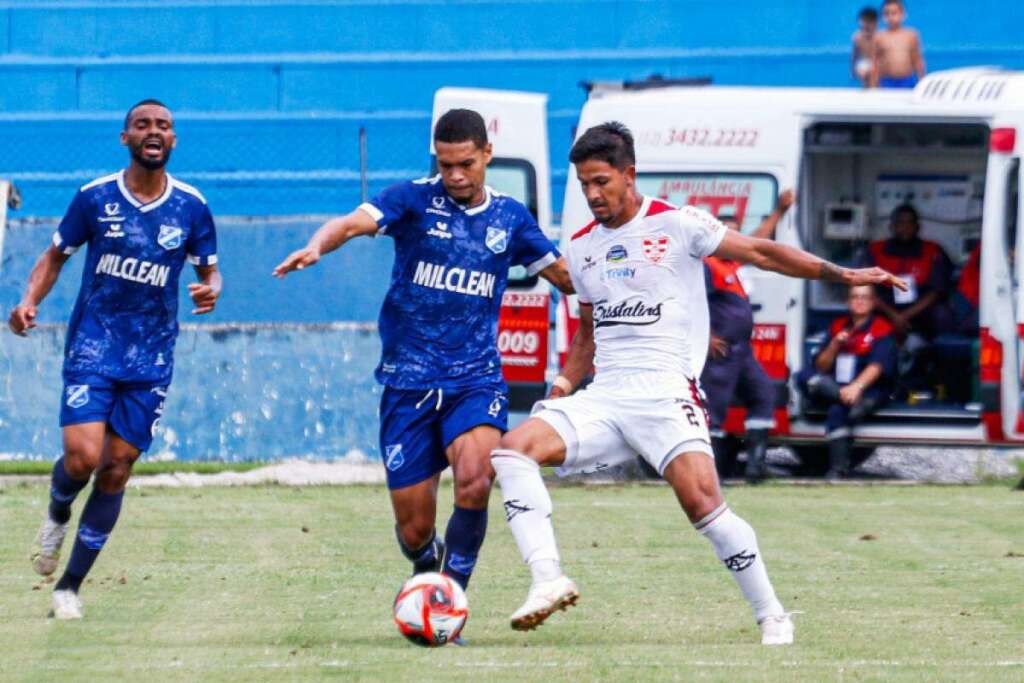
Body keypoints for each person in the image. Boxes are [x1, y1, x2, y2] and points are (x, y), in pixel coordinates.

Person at [488, 122, 903, 644]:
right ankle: (548, 580)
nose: (593, 194)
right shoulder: (583, 247)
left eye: (601, 181)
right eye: (584, 185)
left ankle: (771, 613)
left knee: (703, 505)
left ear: (628, 174)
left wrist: (842, 275)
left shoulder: (677, 224)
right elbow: (588, 334)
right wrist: (563, 387)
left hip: (666, 392)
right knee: (511, 451)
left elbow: (761, 252)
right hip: (608, 395)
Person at [273, 109, 571, 604]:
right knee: (413, 528)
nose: (455, 175)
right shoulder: (411, 198)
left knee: (476, 478)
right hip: (407, 382)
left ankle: (448, 600)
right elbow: (351, 223)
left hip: (474, 379)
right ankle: (424, 562)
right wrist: (316, 246)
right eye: (446, 164)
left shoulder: (511, 218)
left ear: (487, 155)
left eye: (466, 164)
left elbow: (565, 277)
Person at [9, 99, 221, 619]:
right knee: (83, 457)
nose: (154, 132)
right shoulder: (95, 197)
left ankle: (69, 586)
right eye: (143, 125)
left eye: (164, 126)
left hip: (150, 357)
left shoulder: (192, 207)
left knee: (116, 468)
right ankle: (58, 512)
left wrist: (210, 289)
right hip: (95, 345)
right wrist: (29, 300)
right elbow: (55, 255)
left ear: (174, 140)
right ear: (125, 138)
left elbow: (210, 271)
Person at [702, 190, 795, 482]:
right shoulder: (707, 265)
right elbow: (690, 303)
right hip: (721, 351)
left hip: (742, 351)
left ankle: (755, 468)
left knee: (763, 393)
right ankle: (709, 476)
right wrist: (706, 338)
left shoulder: (732, 263)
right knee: (713, 411)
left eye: (737, 235)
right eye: (729, 235)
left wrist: (779, 212)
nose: (736, 240)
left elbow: (759, 239)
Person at [796, 285, 898, 479]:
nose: (859, 301)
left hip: (870, 389)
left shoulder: (881, 329)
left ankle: (837, 471)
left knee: (837, 411)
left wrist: (857, 387)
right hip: (840, 388)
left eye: (865, 297)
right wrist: (835, 344)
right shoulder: (838, 325)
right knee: (803, 375)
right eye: (855, 297)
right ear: (848, 302)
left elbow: (876, 367)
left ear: (874, 302)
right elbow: (822, 366)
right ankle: (841, 397)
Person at [864, 204, 953, 340]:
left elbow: (936, 292)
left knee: (943, 314)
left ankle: (938, 358)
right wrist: (894, 315)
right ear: (892, 226)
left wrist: (904, 316)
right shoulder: (874, 250)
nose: (905, 227)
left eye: (910, 223)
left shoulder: (933, 250)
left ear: (917, 227)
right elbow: (866, 288)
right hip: (885, 309)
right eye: (900, 222)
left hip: (920, 310)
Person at [870, 0, 925, 89]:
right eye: (886, 14)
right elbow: (875, 63)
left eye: (894, 13)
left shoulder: (911, 35)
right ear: (882, 16)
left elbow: (917, 60)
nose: (890, 17)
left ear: (903, 15)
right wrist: (872, 85)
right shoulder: (879, 37)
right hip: (886, 81)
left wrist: (922, 80)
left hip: (907, 80)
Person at [851, 7, 879, 87]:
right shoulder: (857, 37)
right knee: (863, 70)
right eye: (864, 21)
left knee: (875, 72)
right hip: (864, 62)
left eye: (870, 22)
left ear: (876, 23)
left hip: (877, 63)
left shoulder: (879, 36)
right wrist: (853, 68)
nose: (867, 25)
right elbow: (854, 55)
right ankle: (867, 87)